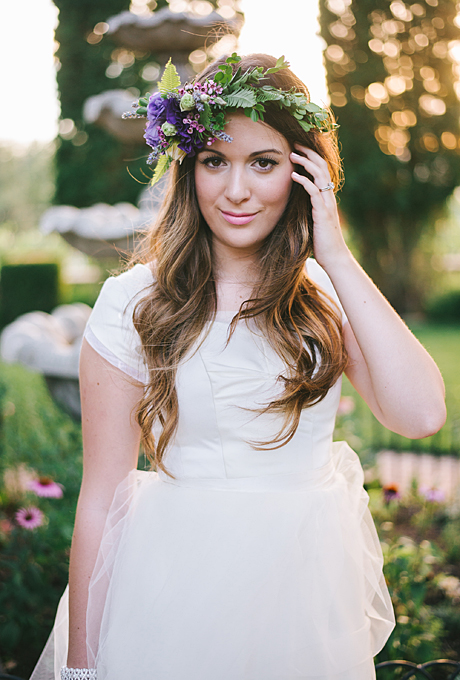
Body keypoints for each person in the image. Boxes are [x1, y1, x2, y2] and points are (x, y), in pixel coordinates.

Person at [30, 53, 446, 680]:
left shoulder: (324, 295)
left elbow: (420, 414)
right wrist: (83, 666)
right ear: (187, 169)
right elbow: (102, 497)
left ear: (305, 172)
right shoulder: (134, 302)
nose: (236, 190)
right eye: (214, 161)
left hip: (306, 597)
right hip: (175, 589)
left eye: (265, 163)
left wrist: (332, 250)